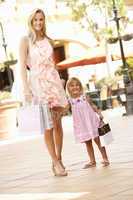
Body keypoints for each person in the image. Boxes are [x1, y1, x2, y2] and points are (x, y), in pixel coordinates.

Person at [19, 8, 68, 176]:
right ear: (31, 22)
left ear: (44, 21)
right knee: (47, 126)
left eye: (41, 20)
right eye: (35, 20)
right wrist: (26, 88)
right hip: (38, 85)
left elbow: (51, 65)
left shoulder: (49, 40)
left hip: (53, 83)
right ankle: (55, 161)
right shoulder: (25, 41)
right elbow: (22, 68)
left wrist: (59, 82)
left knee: (58, 124)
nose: (38, 23)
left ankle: (58, 160)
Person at [66, 77, 110, 168]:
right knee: (88, 143)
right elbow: (64, 110)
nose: (75, 87)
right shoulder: (70, 101)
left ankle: (105, 158)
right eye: (72, 86)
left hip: (92, 122)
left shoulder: (84, 97)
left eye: (77, 85)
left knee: (98, 141)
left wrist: (99, 113)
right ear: (68, 88)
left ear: (80, 86)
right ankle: (92, 161)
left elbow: (93, 106)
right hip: (82, 125)